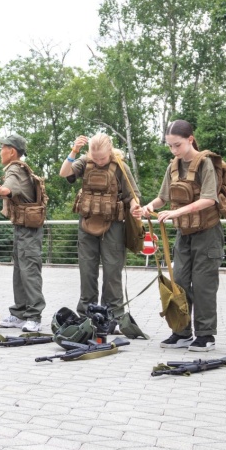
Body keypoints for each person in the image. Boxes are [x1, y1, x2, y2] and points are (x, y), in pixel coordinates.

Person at [135, 120, 223, 352]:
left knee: (204, 285)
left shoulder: (205, 164)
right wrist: (148, 207)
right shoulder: (173, 167)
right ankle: (182, 332)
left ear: (190, 139)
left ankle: (206, 335)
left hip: (207, 233)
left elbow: (209, 199)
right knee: (180, 282)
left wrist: (177, 212)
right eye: (170, 146)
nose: (174, 150)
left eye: (178, 145)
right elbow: (162, 198)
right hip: (184, 234)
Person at [60, 133, 140, 324]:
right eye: (95, 157)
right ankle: (86, 314)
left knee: (112, 271)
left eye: (102, 158)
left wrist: (135, 207)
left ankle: (114, 315)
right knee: (87, 270)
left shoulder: (120, 166)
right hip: (87, 223)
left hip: (113, 225)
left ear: (110, 150)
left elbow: (133, 195)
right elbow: (64, 173)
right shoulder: (85, 162)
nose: (99, 161)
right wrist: (74, 151)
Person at [0, 134, 46, 333]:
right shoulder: (20, 168)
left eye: (3, 148)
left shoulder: (14, 168)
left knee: (29, 271)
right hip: (23, 227)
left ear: (12, 151)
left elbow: (8, 189)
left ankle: (34, 316)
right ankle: (19, 313)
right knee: (20, 271)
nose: (0, 151)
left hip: (28, 230)